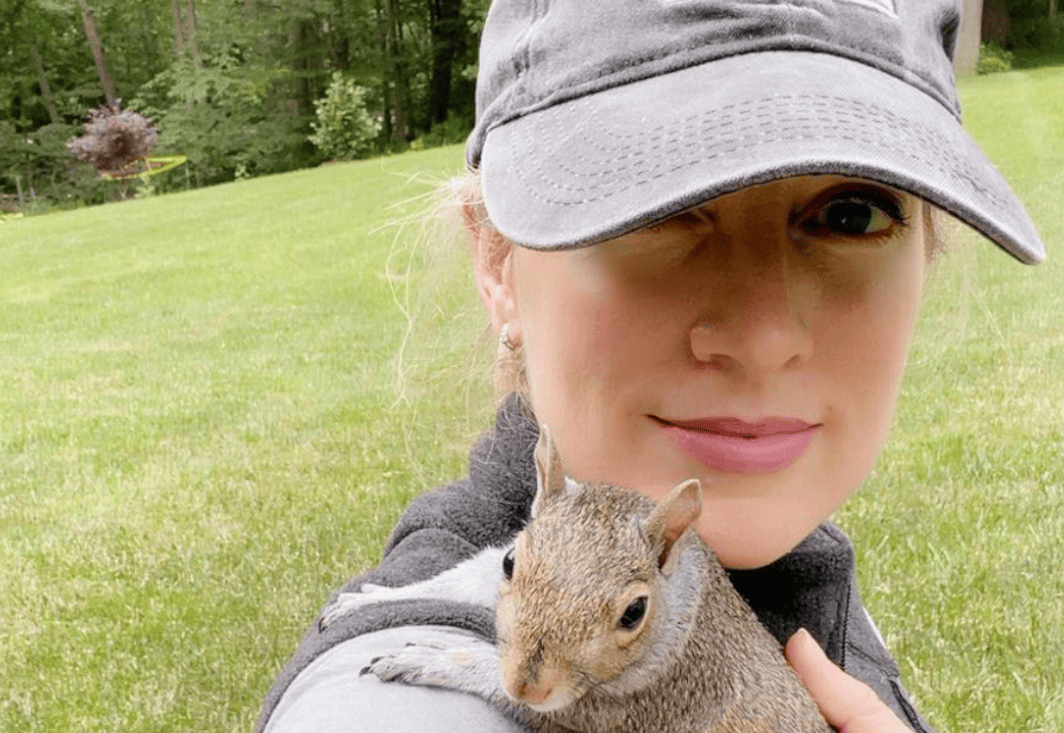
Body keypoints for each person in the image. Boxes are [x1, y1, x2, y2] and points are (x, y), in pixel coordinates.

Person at [255, 1, 1045, 731]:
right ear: (498, 262)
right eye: (657, 211)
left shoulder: (783, 567)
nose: (764, 336)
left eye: (852, 213)